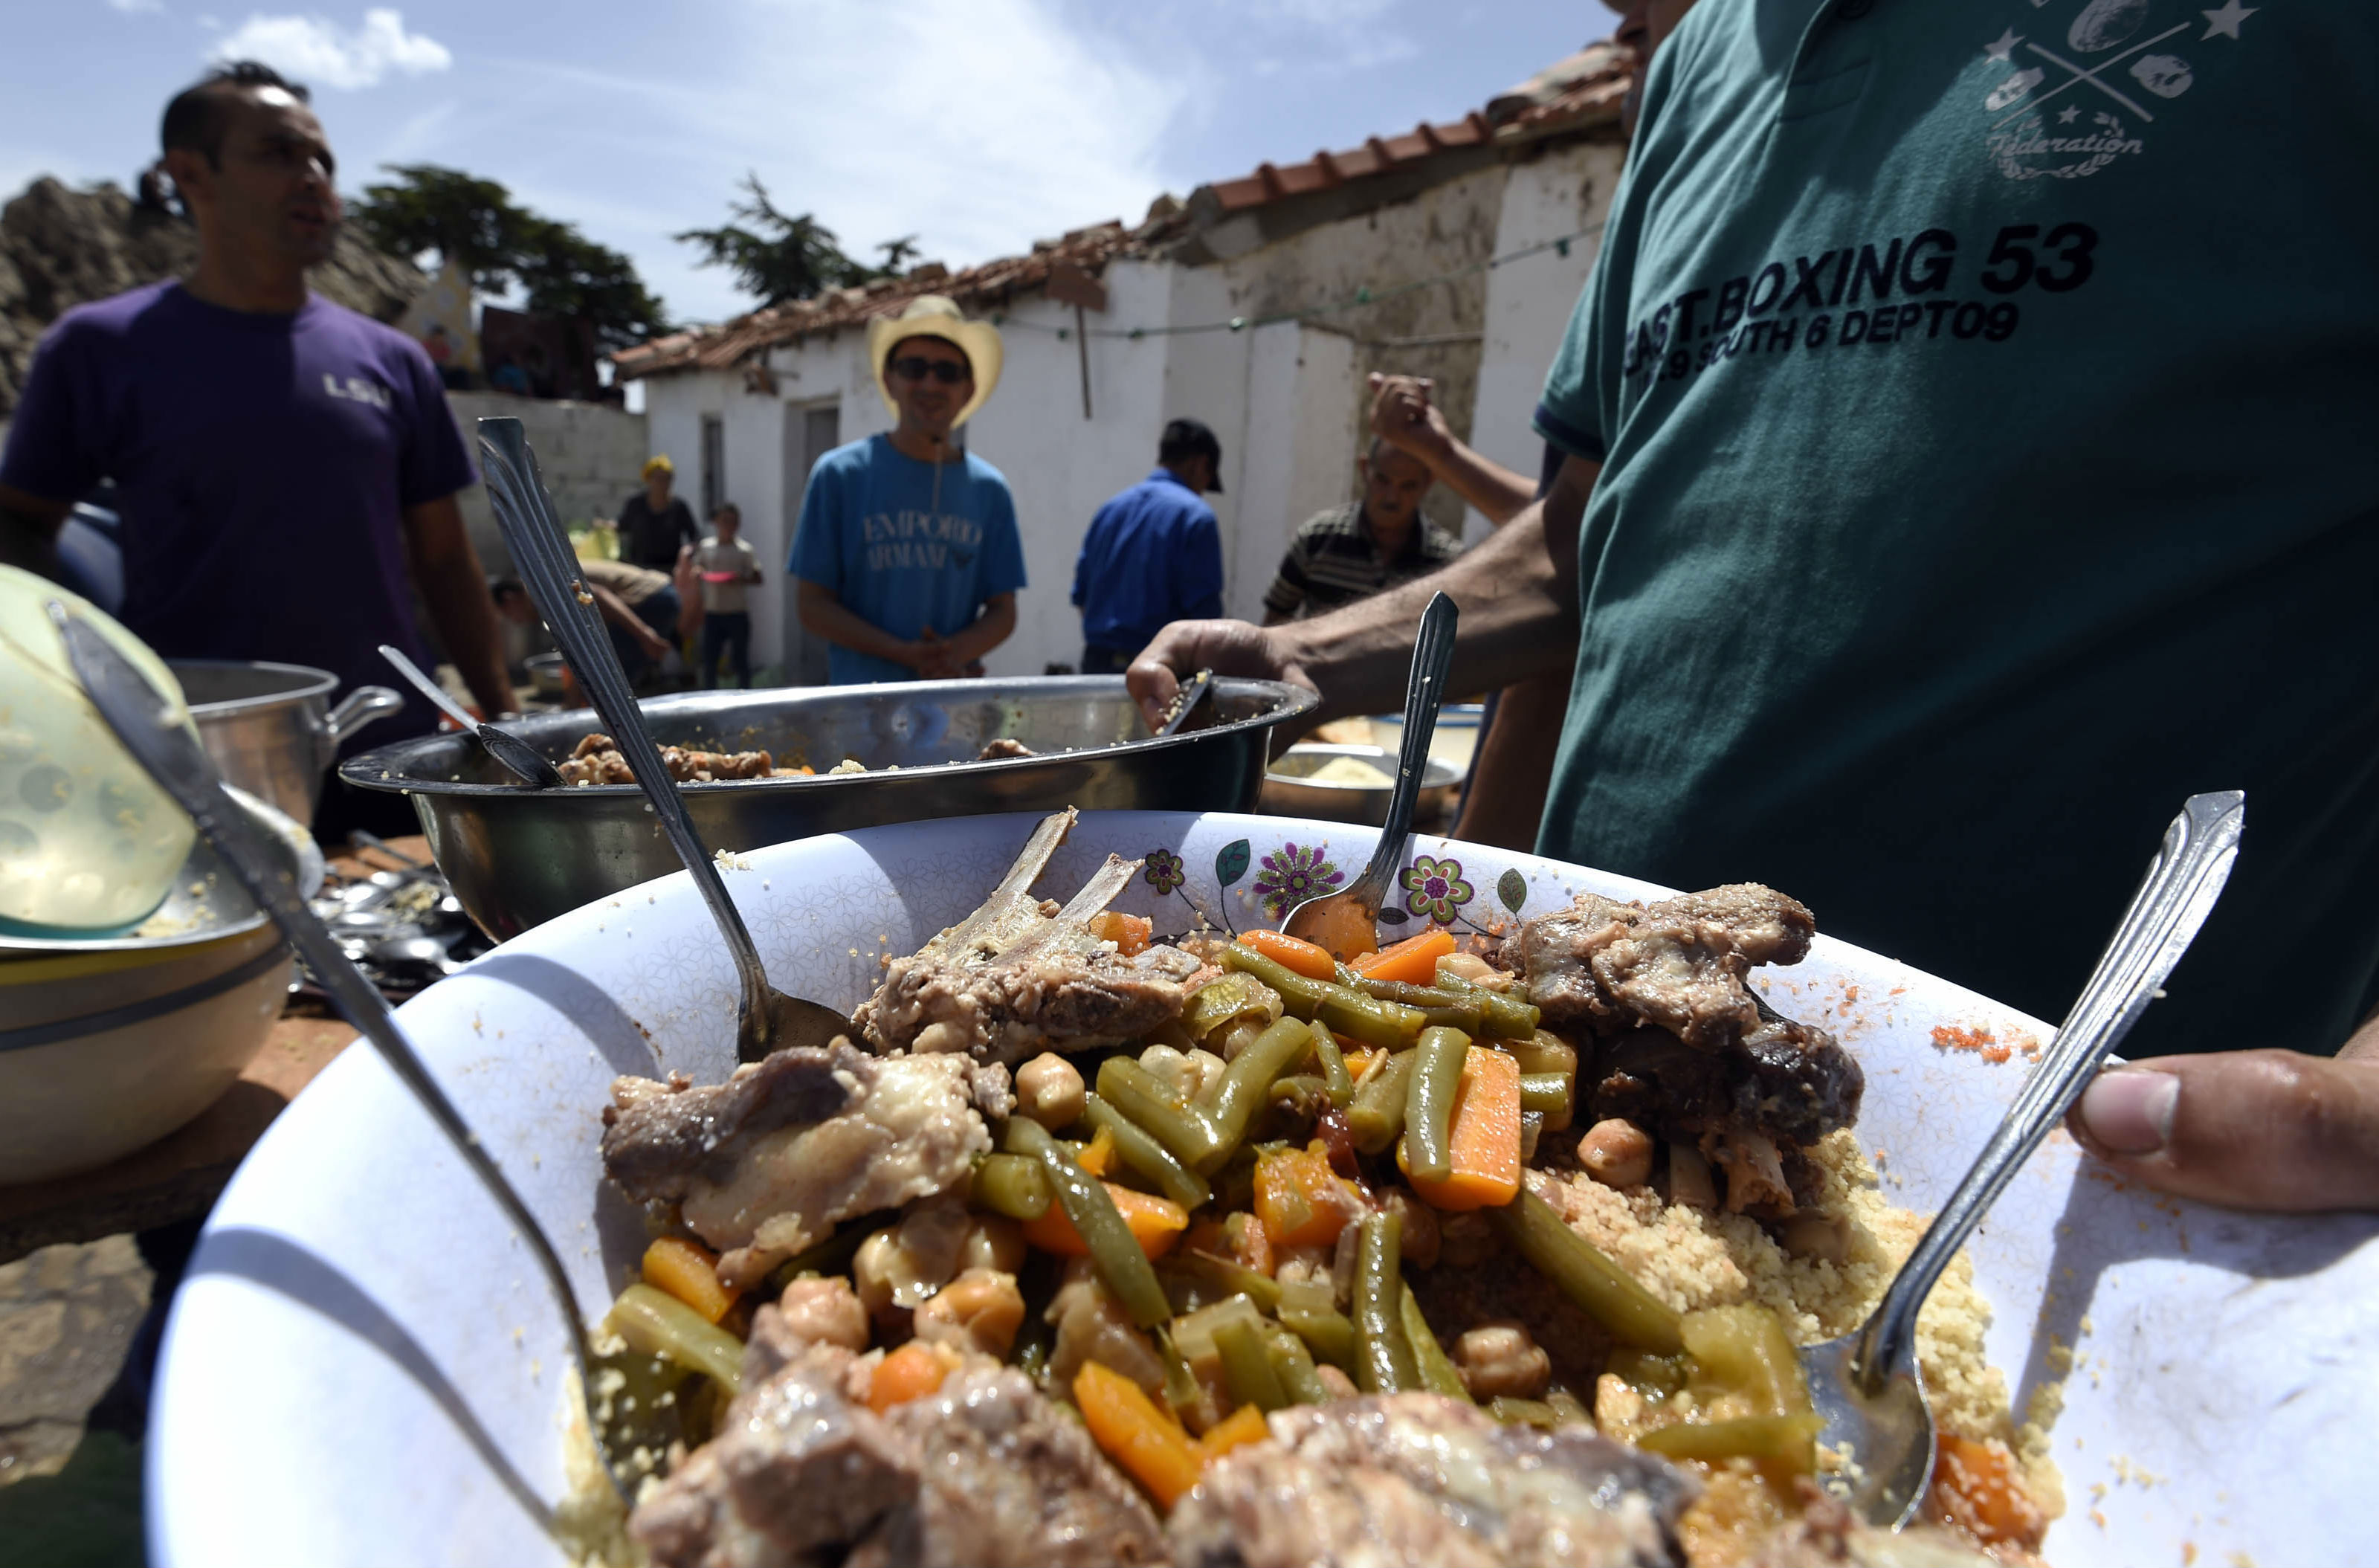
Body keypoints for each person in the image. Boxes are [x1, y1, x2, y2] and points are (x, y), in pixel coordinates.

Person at [1129, 2, 2379, 1215]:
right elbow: (1584, 537)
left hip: (2072, 1196)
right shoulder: (1701, 63)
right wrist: (1301, 657)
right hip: (1575, 1108)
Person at [0, 60, 511, 839]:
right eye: (278, 153)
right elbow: (20, 535)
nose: (313, 179)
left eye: (323, 162)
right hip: (200, 768)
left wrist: (503, 723)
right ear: (189, 174)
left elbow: (444, 560)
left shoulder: (391, 360)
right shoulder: (101, 350)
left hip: (387, 759)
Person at [790, 294, 1024, 684]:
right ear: (889, 379)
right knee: (847, 753)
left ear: (967, 389)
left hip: (952, 715)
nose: (930, 383)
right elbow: (812, 604)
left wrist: (953, 654)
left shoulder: (990, 490)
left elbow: (1004, 610)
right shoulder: (839, 475)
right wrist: (899, 653)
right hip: (856, 713)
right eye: (914, 368)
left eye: (947, 372)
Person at [1071, 419, 1227, 674]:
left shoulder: (1110, 510)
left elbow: (1081, 595)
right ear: (1199, 464)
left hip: (1097, 665)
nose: (1202, 491)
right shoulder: (1196, 517)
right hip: (1161, 669)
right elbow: (1204, 618)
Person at [1259, 438, 1461, 625]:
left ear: (1428, 483)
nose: (1392, 497)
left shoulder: (1447, 563)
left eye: (1407, 486)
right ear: (1365, 469)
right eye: (1383, 480)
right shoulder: (1316, 540)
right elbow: (1274, 623)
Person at [493, 561, 677, 688]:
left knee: (613, 679)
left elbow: (598, 595)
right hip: (659, 591)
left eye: (510, 615)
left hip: (651, 596)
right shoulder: (540, 591)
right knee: (610, 676)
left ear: (510, 599)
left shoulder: (543, 588)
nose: (516, 621)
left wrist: (645, 635)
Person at [691, 502, 761, 689]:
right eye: (725, 521)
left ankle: (745, 696)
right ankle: (709, 698)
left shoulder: (744, 550)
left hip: (737, 612)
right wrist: (698, 573)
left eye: (733, 521)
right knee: (710, 660)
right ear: (716, 522)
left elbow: (757, 577)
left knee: (740, 660)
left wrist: (740, 579)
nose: (729, 525)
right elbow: (698, 567)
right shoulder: (707, 547)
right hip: (713, 612)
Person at [618, 454, 700, 572]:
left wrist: (689, 552)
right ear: (648, 479)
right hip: (639, 570)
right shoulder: (636, 504)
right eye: (659, 478)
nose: (663, 483)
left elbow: (694, 535)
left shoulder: (679, 506)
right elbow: (622, 526)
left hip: (670, 570)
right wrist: (606, 527)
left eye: (667, 478)